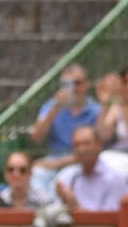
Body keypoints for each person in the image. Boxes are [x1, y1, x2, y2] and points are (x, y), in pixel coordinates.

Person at [29, 63, 100, 193]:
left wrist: (58, 163)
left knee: (60, 184)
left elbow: (100, 145)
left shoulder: (96, 110)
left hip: (82, 163)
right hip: (54, 160)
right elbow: (36, 137)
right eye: (67, 84)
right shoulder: (51, 106)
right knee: (36, 176)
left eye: (77, 83)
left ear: (86, 84)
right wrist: (55, 108)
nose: (73, 88)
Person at [54, 125, 128, 212]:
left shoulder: (115, 178)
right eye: (76, 145)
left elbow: (110, 220)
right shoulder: (67, 177)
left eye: (86, 143)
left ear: (99, 145)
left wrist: (75, 206)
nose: (81, 149)